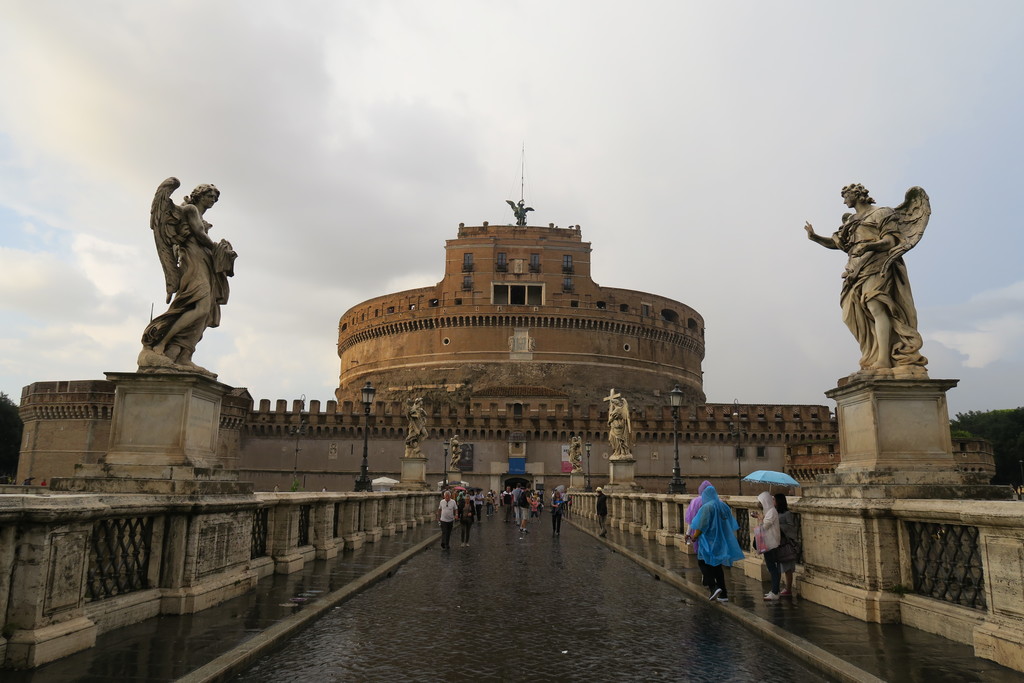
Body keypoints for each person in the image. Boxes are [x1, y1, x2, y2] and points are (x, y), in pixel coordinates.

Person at [804, 184, 928, 376]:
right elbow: (838, 243)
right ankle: (872, 355)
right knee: (850, 314)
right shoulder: (851, 220)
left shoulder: (882, 213)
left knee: (876, 306)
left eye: (846, 196)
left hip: (877, 263)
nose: (844, 200)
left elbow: (890, 241)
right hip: (854, 268)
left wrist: (870, 247)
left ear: (858, 195)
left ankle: (884, 360)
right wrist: (815, 237)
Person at [141, 179, 236, 376]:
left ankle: (184, 355)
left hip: (204, 260)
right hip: (192, 259)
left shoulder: (198, 214)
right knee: (198, 305)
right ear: (199, 195)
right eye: (210, 196)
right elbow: (200, 235)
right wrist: (218, 249)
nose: (213, 200)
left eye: (215, 198)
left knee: (207, 309)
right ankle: (160, 344)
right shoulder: (191, 210)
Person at [686, 485, 745, 602]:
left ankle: (713, 587)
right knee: (717, 566)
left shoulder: (707, 507)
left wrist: (694, 537)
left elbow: (701, 525)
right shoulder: (723, 505)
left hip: (708, 541)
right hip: (720, 541)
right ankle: (724, 594)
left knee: (703, 563)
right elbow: (729, 522)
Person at [754, 491, 782, 600]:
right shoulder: (770, 512)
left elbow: (764, 527)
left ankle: (775, 592)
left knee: (772, 568)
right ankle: (775, 590)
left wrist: (760, 519)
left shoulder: (771, 512)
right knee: (771, 567)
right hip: (769, 543)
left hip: (771, 543)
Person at [775, 493, 799, 596]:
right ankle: (777, 587)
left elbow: (792, 527)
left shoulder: (787, 514)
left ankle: (788, 588)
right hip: (777, 543)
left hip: (785, 544)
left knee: (787, 567)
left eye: (774, 500)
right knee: (778, 567)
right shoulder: (774, 512)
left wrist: (779, 526)